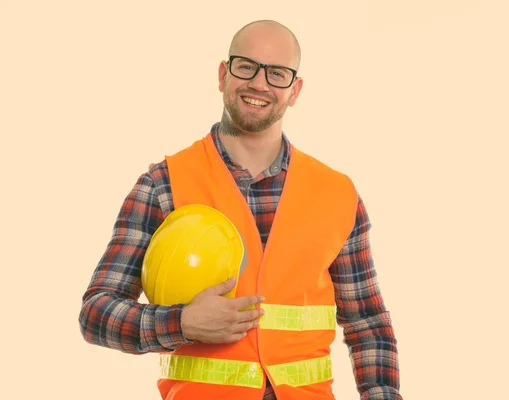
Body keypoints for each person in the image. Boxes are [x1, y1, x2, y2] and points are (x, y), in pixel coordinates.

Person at [79, 19, 403, 400]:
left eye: (277, 73)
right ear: (222, 74)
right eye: (246, 67)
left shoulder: (338, 193)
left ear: (295, 90)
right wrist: (182, 323)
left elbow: (368, 324)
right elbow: (97, 313)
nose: (259, 84)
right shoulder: (163, 184)